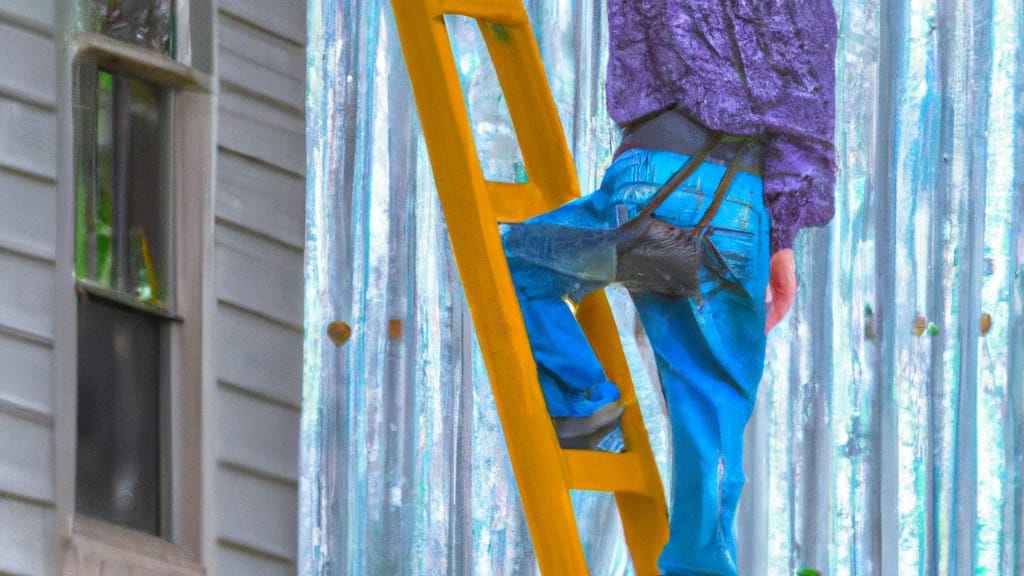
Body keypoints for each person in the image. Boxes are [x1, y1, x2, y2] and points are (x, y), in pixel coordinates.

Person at [502, 1, 837, 574]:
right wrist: (780, 239)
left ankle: (586, 401)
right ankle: (699, 560)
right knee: (710, 402)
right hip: (736, 203)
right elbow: (805, 117)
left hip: (647, 180)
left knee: (518, 265)